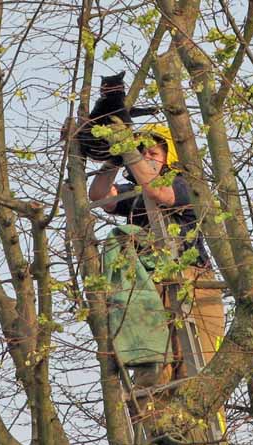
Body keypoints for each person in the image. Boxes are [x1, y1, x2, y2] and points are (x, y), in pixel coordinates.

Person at [88, 124, 224, 386]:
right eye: (140, 153)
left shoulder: (185, 184)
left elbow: (157, 192)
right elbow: (100, 196)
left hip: (193, 284)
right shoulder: (136, 194)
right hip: (150, 287)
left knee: (195, 370)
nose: (146, 158)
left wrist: (130, 150)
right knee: (154, 371)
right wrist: (113, 159)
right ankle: (158, 423)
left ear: (169, 157)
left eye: (153, 153)